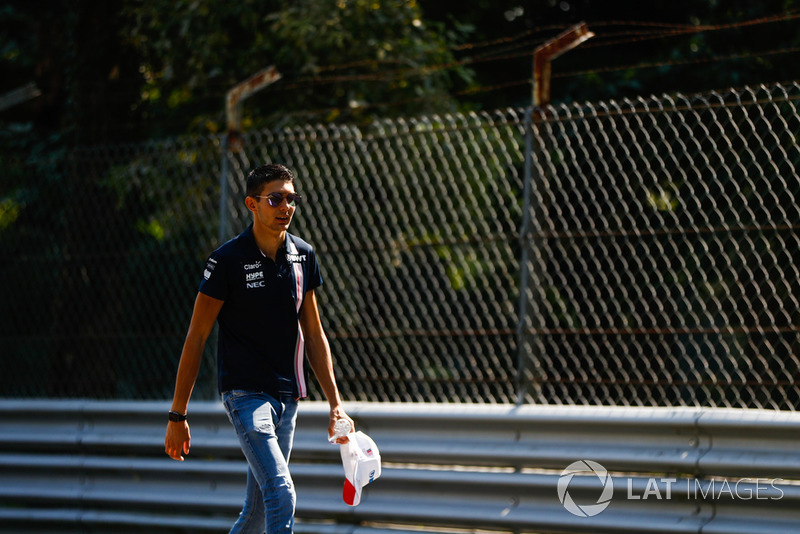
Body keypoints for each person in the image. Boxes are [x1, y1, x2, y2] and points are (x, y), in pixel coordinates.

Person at [164, 163, 353, 533]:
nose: (286, 207)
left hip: (288, 397)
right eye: (276, 199)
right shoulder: (227, 260)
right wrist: (177, 415)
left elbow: (314, 335)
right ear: (252, 204)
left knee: (257, 516)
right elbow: (196, 337)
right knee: (281, 494)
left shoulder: (304, 256)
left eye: (291, 199)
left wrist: (336, 405)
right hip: (246, 396)